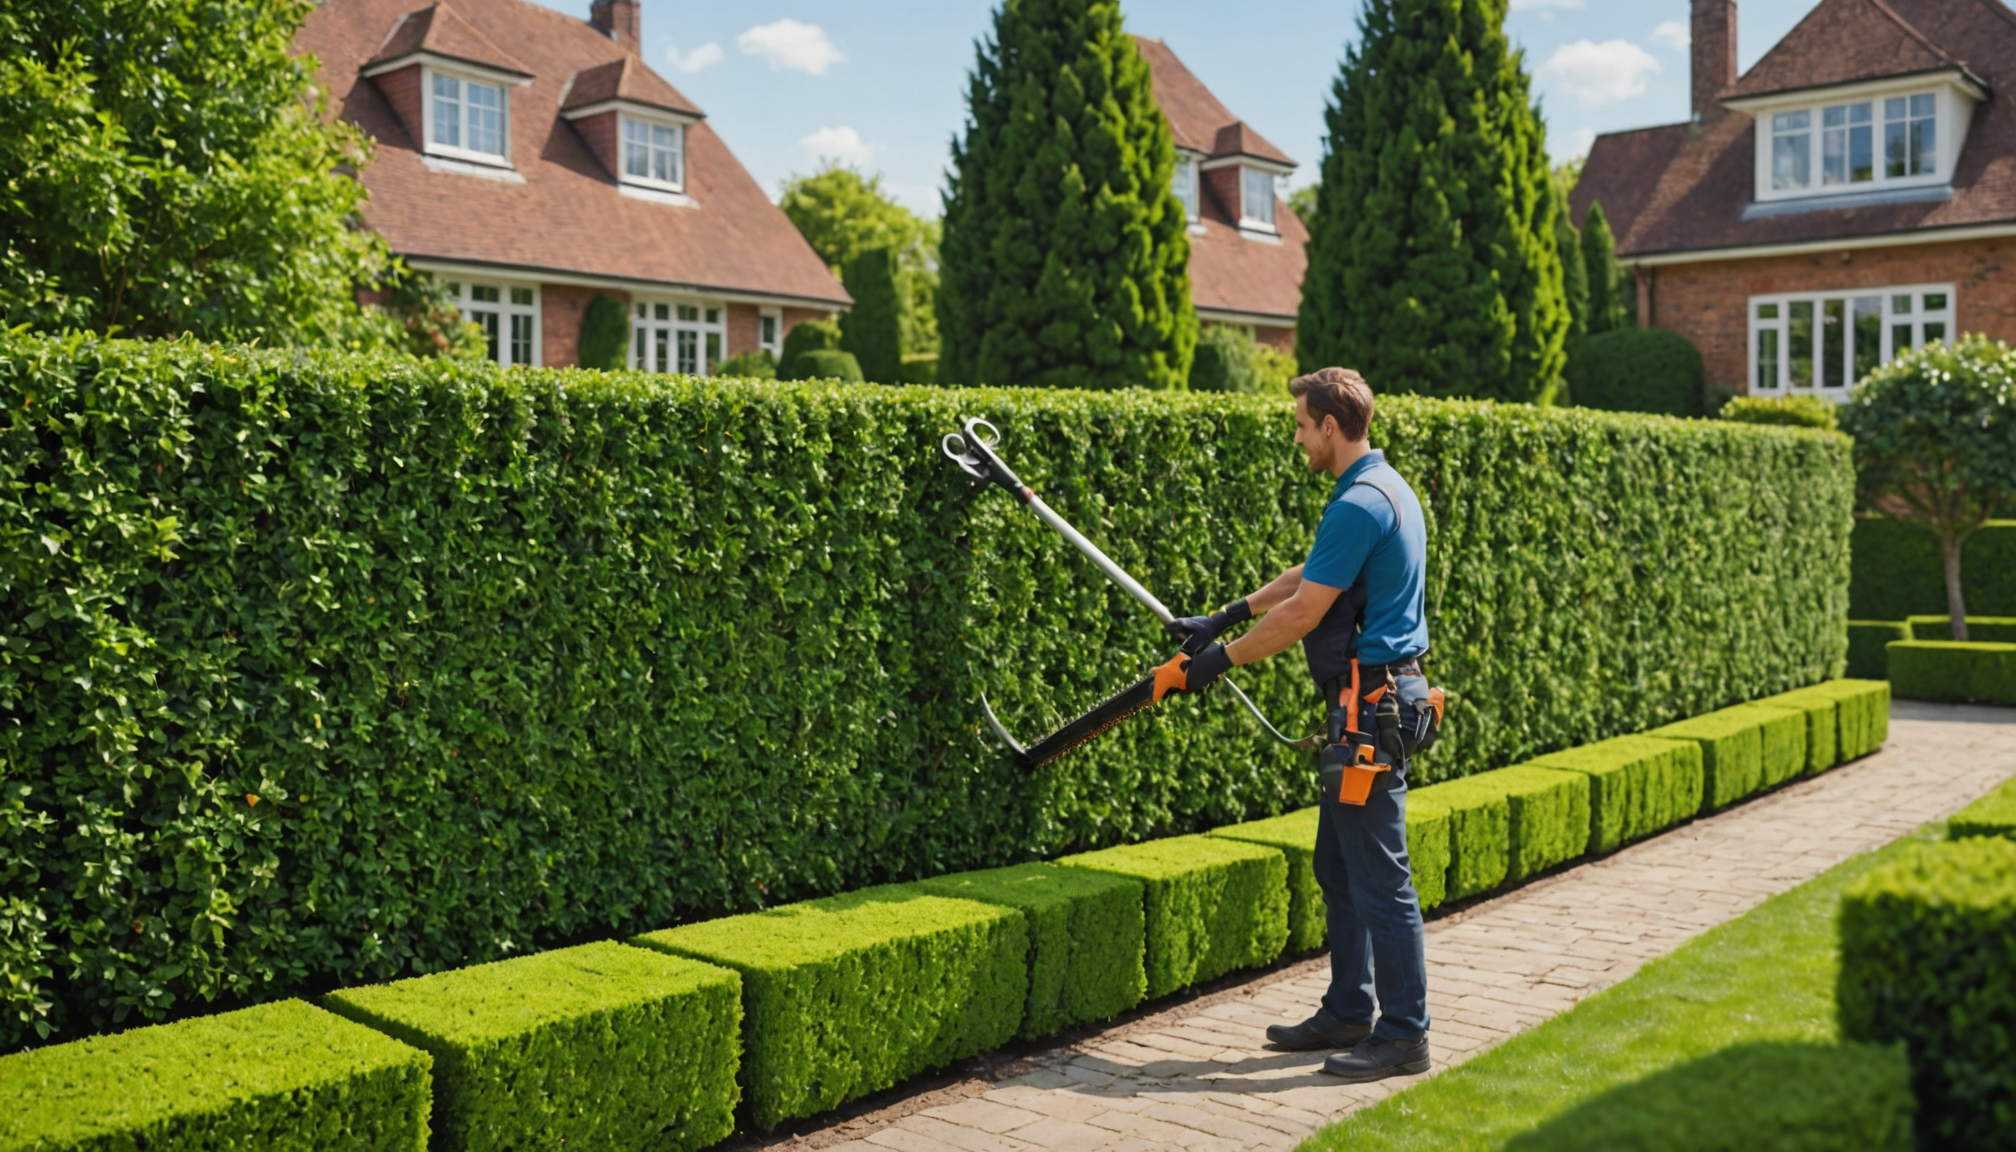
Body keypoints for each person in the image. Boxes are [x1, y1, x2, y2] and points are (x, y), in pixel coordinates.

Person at [1168, 366, 1433, 1083]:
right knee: (1339, 866)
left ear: (1331, 426)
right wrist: (1228, 613)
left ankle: (1404, 1034)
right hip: (1373, 701)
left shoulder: (1358, 503)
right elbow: (1309, 575)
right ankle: (1349, 1009)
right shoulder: (1384, 489)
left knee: (1382, 880)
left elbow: (1304, 614)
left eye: (1301, 425)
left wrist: (1212, 663)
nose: (1296, 438)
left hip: (1368, 710)